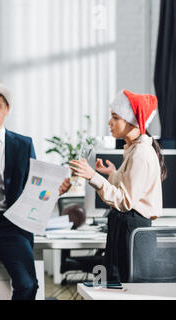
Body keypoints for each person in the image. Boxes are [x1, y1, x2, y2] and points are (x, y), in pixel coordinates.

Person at [0, 82, 71, 300]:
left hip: (11, 223)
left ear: (7, 109)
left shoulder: (23, 144)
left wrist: (56, 189)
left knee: (27, 284)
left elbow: (34, 185)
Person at [70, 89, 165, 283]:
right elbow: (129, 189)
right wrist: (112, 174)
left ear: (133, 120)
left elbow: (125, 201)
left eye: (115, 117)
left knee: (125, 288)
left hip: (131, 229)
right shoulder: (134, 149)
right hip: (127, 226)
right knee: (117, 285)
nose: (109, 123)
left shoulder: (140, 153)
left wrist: (93, 176)